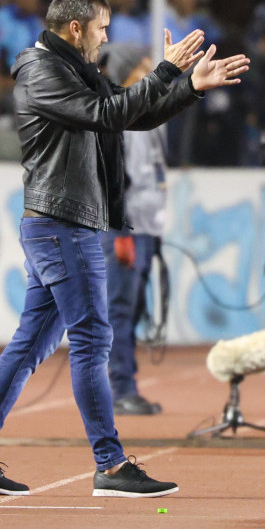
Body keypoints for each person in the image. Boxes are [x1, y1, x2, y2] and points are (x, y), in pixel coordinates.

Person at [0, 0, 249, 498]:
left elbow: (129, 115)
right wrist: (165, 72)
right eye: (102, 28)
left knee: (30, 346)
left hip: (61, 222)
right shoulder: (43, 72)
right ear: (75, 29)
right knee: (92, 340)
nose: (107, 37)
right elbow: (110, 114)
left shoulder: (72, 70)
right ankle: (109, 464)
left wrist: (188, 87)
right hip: (63, 224)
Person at [98, 44, 166, 415]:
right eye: (141, 70)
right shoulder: (115, 117)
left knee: (134, 307)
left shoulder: (148, 116)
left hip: (145, 226)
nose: (149, 76)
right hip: (123, 227)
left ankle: (124, 383)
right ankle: (120, 388)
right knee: (119, 308)